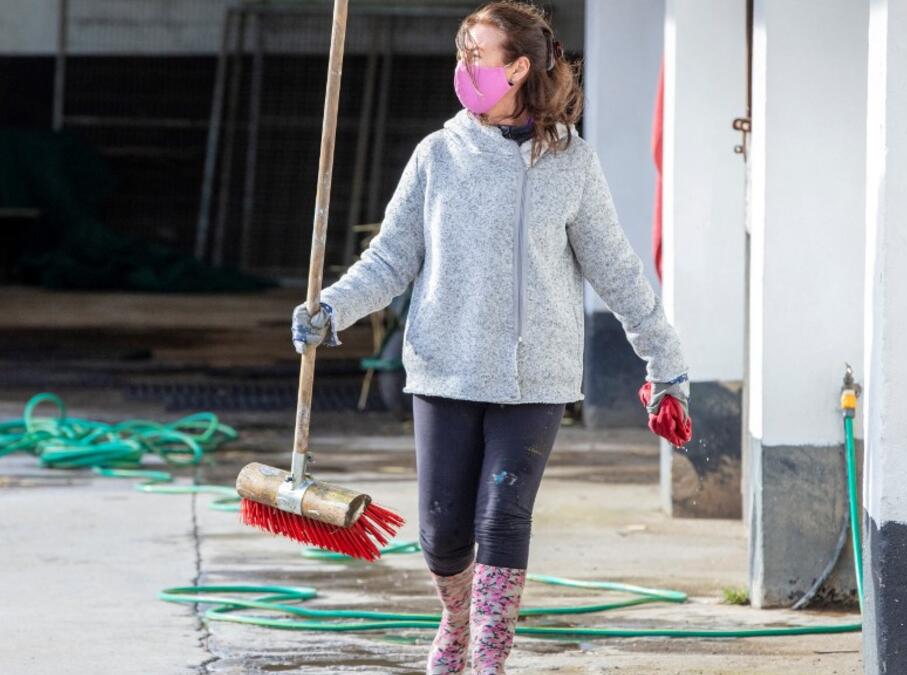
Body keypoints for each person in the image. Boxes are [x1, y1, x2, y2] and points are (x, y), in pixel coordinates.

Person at [291, 2, 690, 672]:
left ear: (520, 68)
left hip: (534, 378)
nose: (464, 65)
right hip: (445, 369)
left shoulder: (572, 165)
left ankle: (489, 659)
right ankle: (456, 616)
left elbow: (618, 271)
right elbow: (391, 259)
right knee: (443, 531)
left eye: (479, 54)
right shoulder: (437, 157)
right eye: (462, 53)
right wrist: (331, 308)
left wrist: (667, 365)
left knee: (504, 515)